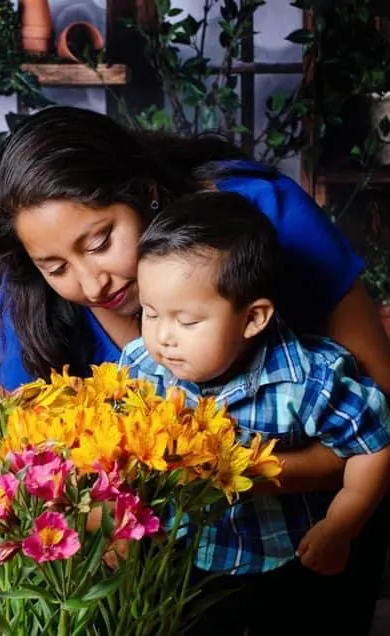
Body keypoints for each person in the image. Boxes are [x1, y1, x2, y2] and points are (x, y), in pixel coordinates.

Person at [0, 105, 390, 634]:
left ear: (146, 192)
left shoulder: (258, 215)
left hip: (317, 536)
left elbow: (378, 415)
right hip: (166, 559)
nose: (91, 283)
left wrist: (213, 473)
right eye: (55, 267)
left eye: (101, 242)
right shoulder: (30, 303)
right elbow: (20, 474)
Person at [118, 191, 390, 634]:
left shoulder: (306, 382)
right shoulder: (139, 369)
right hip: (188, 556)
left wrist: (341, 525)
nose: (162, 337)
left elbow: (375, 443)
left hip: (284, 558)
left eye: (186, 322)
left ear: (253, 318)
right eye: (149, 313)